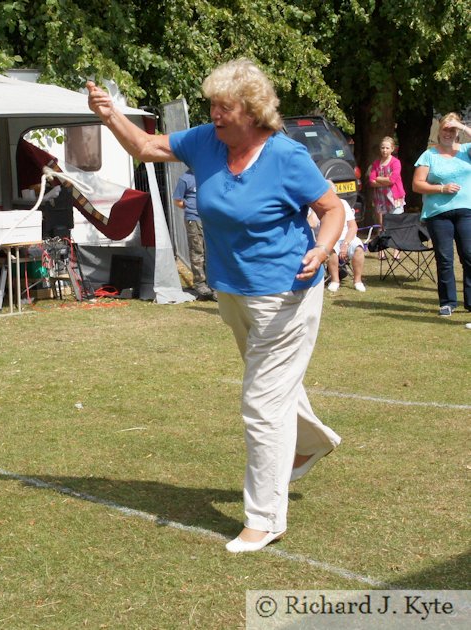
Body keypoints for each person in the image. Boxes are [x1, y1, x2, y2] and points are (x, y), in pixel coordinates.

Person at [88, 58, 344, 553]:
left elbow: (331, 209)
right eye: (212, 106)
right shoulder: (207, 141)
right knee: (273, 386)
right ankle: (312, 441)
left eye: (223, 107)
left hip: (286, 295)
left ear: (252, 112)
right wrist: (109, 114)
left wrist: (324, 246)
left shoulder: (287, 156)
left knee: (262, 403)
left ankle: (265, 517)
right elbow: (145, 146)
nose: (214, 115)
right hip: (231, 291)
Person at [412, 113, 471, 317]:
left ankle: (470, 302)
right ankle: (447, 302)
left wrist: (462, 127)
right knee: (444, 258)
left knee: (469, 255)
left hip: (466, 211)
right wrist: (442, 189)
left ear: (457, 132)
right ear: (439, 131)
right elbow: (417, 184)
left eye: (452, 129)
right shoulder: (429, 155)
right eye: (445, 129)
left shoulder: (466, 150)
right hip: (439, 214)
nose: (448, 133)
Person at [173, 168, 214, 300]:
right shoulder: (185, 178)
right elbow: (178, 200)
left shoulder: (209, 174)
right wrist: (191, 209)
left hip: (210, 219)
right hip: (194, 220)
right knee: (197, 251)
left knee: (212, 252)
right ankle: (200, 285)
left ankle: (214, 284)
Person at [324, 181, 367, 293]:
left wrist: (346, 243)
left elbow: (353, 227)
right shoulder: (317, 206)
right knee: (331, 248)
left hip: (346, 237)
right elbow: (312, 225)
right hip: (328, 239)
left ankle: (357, 281)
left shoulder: (343, 204)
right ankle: (335, 281)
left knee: (358, 247)